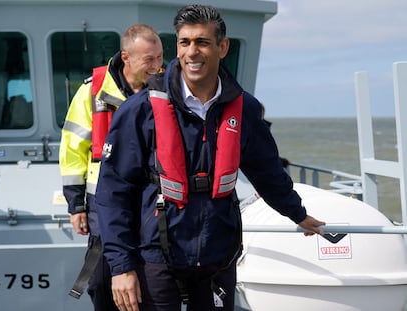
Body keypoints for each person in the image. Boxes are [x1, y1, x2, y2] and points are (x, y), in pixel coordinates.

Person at [95, 4, 325, 311]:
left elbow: (267, 172)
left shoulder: (245, 110)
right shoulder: (141, 110)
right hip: (157, 254)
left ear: (222, 47)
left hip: (219, 254)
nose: (192, 52)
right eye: (184, 42)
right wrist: (121, 266)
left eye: (202, 42)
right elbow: (114, 192)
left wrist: (297, 214)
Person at [59, 24, 163, 311]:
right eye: (149, 60)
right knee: (102, 284)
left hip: (151, 203)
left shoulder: (166, 88)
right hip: (102, 202)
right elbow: (73, 147)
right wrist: (75, 205)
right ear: (126, 57)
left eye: (160, 58)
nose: (157, 67)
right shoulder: (91, 91)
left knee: (150, 284)